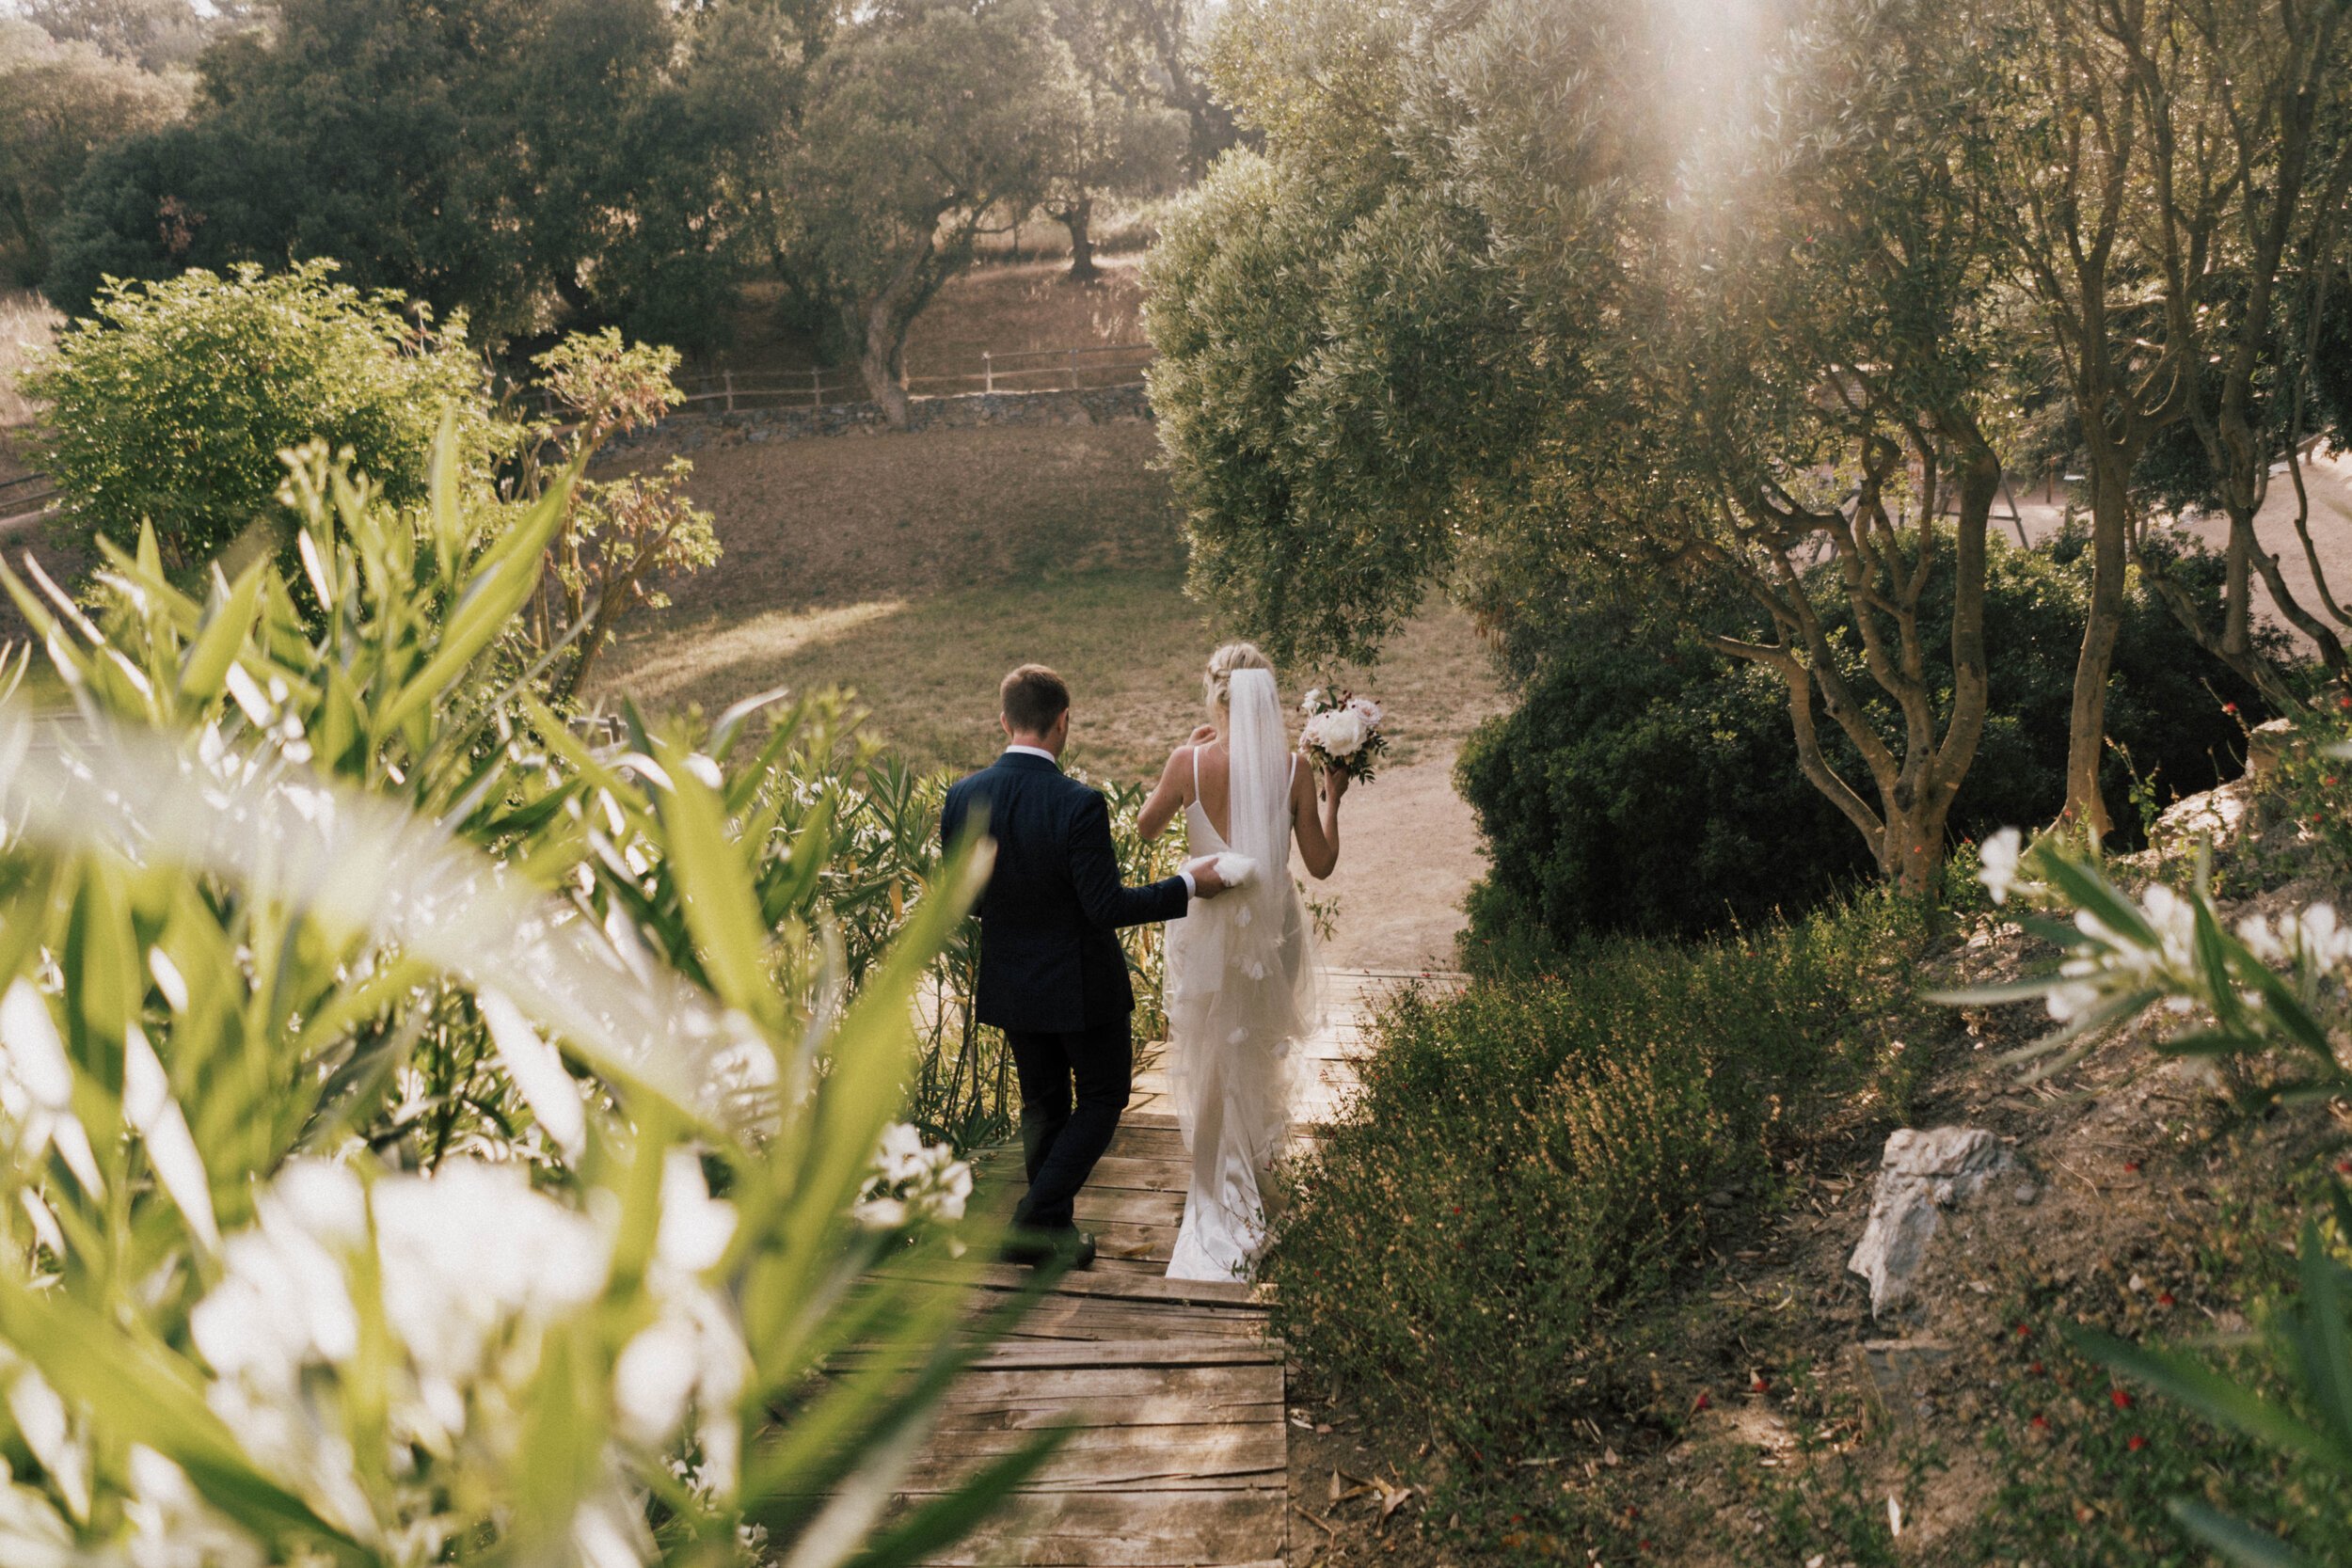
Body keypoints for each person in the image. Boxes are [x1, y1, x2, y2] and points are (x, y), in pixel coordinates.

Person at [942, 663, 1230, 1268]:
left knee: (1043, 1104)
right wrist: (1187, 884)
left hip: (1012, 982)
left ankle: (1051, 1234)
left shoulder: (963, 796)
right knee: (1102, 1098)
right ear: (1063, 721)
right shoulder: (1079, 803)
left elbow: (962, 900)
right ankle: (1032, 1221)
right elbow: (1105, 908)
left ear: (1005, 720)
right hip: (1079, 987)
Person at [1136, 641, 1344, 1281]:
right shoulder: (1293, 772)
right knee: (1257, 1056)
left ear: (1215, 693)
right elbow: (1321, 863)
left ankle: (1216, 1193)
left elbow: (1146, 827)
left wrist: (1188, 758)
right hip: (1270, 937)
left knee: (1209, 1065)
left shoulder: (1187, 761)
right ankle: (1252, 1184)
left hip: (1204, 931)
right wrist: (1334, 797)